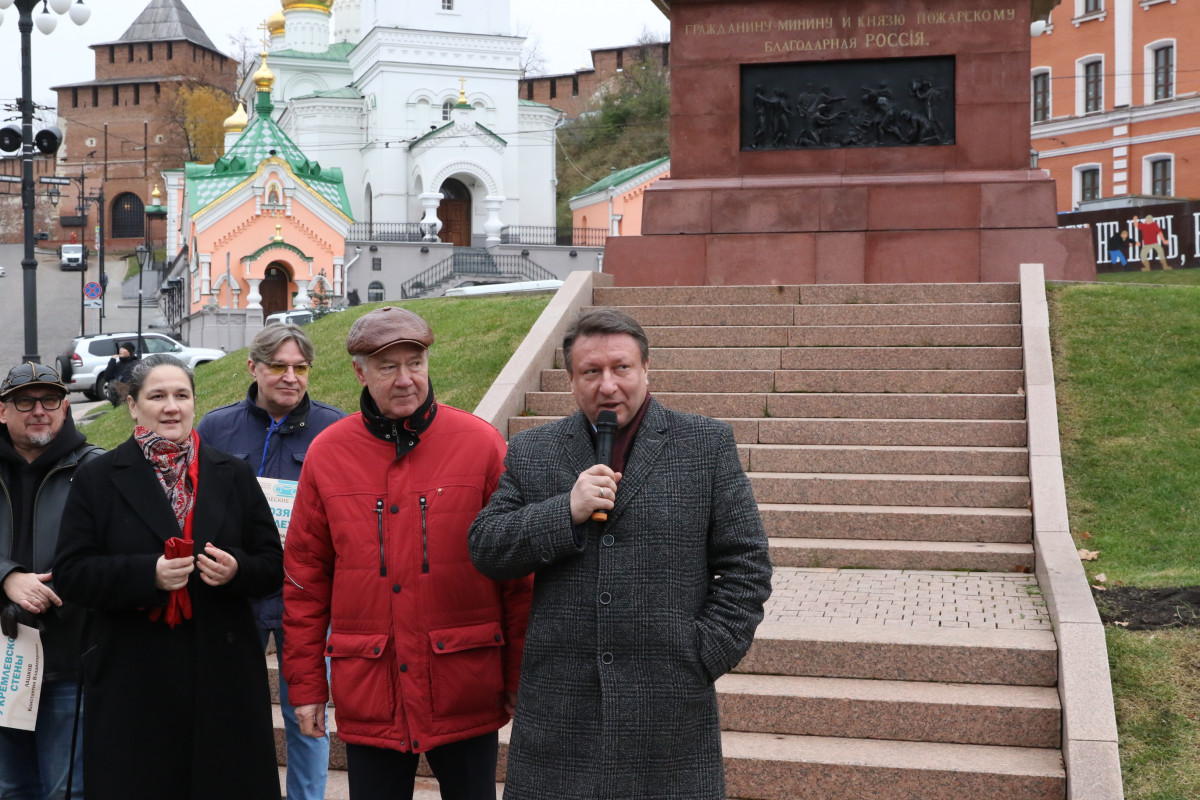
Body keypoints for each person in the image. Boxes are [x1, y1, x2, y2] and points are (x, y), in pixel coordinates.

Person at [468, 307, 773, 800]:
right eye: (591, 372)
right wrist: (564, 511)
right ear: (570, 380)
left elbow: (746, 566)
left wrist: (703, 654)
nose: (607, 385)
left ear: (646, 369)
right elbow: (487, 547)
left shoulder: (705, 444)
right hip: (559, 719)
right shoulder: (534, 451)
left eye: (621, 368)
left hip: (669, 709)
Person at [283, 306, 533, 800]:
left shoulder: (480, 443)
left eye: (414, 363)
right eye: (387, 367)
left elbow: (516, 575)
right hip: (372, 688)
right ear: (359, 372)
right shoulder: (328, 453)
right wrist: (307, 688)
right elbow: (304, 582)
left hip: (464, 684)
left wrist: (518, 674)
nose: (405, 379)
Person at [53, 354, 283, 800]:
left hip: (224, 677)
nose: (171, 406)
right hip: (134, 678)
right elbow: (72, 574)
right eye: (157, 396)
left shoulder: (231, 473)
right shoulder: (99, 477)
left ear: (195, 402)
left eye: (182, 395)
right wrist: (147, 574)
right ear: (134, 406)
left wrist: (237, 569)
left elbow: (271, 566)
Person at [196, 324, 345, 800]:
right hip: (236, 592)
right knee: (235, 711)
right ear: (253, 367)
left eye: (300, 368)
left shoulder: (335, 428)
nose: (290, 377)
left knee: (307, 714)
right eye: (278, 366)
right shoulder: (216, 428)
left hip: (307, 597)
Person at [0, 363, 103, 800]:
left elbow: (112, 554)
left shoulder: (96, 468)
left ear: (64, 407)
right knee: (9, 788)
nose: (39, 410)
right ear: (2, 411)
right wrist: (7, 576)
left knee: (68, 790)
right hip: (0, 665)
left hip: (68, 659)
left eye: (50, 400)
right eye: (25, 400)